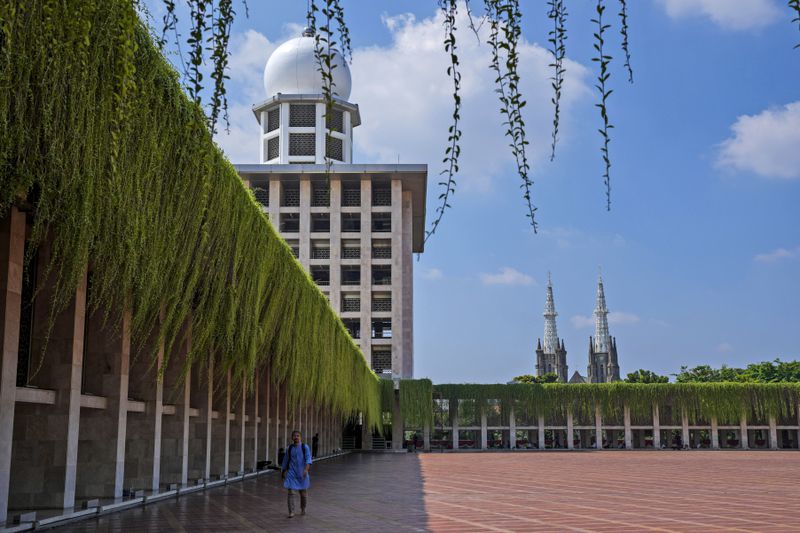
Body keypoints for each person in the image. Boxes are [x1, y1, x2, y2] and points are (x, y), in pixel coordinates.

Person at [281, 430, 312, 518]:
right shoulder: (289, 448)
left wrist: (306, 469)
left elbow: (308, 459)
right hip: (292, 473)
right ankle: (291, 511)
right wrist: (283, 471)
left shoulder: (304, 447)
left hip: (302, 473)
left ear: (300, 437)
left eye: (298, 436)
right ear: (292, 438)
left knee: (303, 494)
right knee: (290, 492)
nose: (296, 437)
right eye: (294, 436)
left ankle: (303, 508)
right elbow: (286, 460)